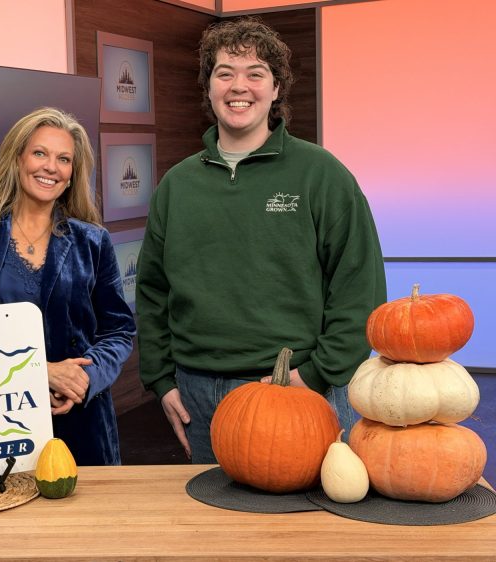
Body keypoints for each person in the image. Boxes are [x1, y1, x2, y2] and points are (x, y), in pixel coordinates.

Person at [136, 17, 386, 463]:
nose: (240, 86)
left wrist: (315, 375)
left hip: (302, 389)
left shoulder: (320, 174)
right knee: (214, 526)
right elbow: (152, 290)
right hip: (198, 395)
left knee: (312, 525)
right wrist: (162, 381)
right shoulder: (177, 185)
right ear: (209, 87)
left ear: (276, 90)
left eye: (256, 74)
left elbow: (358, 285)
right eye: (225, 72)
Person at [0, 107, 136, 466]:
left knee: (86, 522)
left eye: (64, 159)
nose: (51, 167)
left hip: (81, 420)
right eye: (40, 153)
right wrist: (40, 371)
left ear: (71, 173)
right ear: (17, 159)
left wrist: (84, 378)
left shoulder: (93, 241)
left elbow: (119, 330)